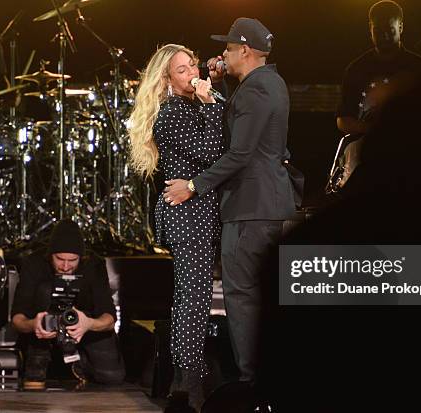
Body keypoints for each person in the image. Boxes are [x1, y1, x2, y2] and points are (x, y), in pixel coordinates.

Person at [164, 18, 297, 387]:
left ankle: (253, 384)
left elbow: (239, 152)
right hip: (268, 205)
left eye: (227, 49)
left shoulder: (255, 89)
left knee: (242, 298)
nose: (220, 55)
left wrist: (192, 185)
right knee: (263, 297)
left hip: (251, 209)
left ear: (245, 51)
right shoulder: (267, 82)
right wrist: (219, 86)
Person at [128, 44, 223, 411]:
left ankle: (183, 383)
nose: (192, 73)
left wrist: (212, 93)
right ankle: (189, 384)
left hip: (195, 214)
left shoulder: (190, 106)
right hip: (188, 217)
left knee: (191, 300)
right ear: (166, 79)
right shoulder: (170, 114)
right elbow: (212, 151)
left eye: (192, 65)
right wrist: (211, 104)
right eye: (182, 70)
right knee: (194, 302)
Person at [331, 0, 421, 193]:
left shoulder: (420, 69)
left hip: (411, 155)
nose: (384, 35)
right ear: (370, 29)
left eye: (390, 30)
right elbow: (343, 120)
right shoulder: (356, 69)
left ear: (401, 27)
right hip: (366, 160)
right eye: (378, 30)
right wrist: (375, 129)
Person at [11, 219, 125, 388]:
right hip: (44, 332)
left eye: (72, 260)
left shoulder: (93, 265)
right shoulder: (34, 263)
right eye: (59, 259)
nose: (65, 266)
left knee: (112, 377)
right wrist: (34, 325)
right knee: (44, 289)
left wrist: (88, 324)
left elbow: (108, 317)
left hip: (84, 328)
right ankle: (39, 361)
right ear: (50, 255)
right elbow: (17, 318)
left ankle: (81, 363)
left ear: (82, 257)